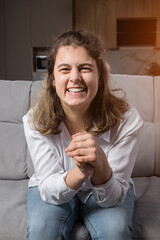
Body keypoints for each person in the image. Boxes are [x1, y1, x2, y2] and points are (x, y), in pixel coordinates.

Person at [23, 29, 143, 240]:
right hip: (54, 185)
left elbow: (113, 198)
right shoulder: (34, 120)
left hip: (109, 188)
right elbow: (50, 190)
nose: (75, 78)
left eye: (85, 68)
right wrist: (80, 173)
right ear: (52, 78)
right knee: (42, 229)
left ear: (100, 76)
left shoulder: (128, 120)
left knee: (116, 231)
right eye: (65, 69)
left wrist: (102, 166)